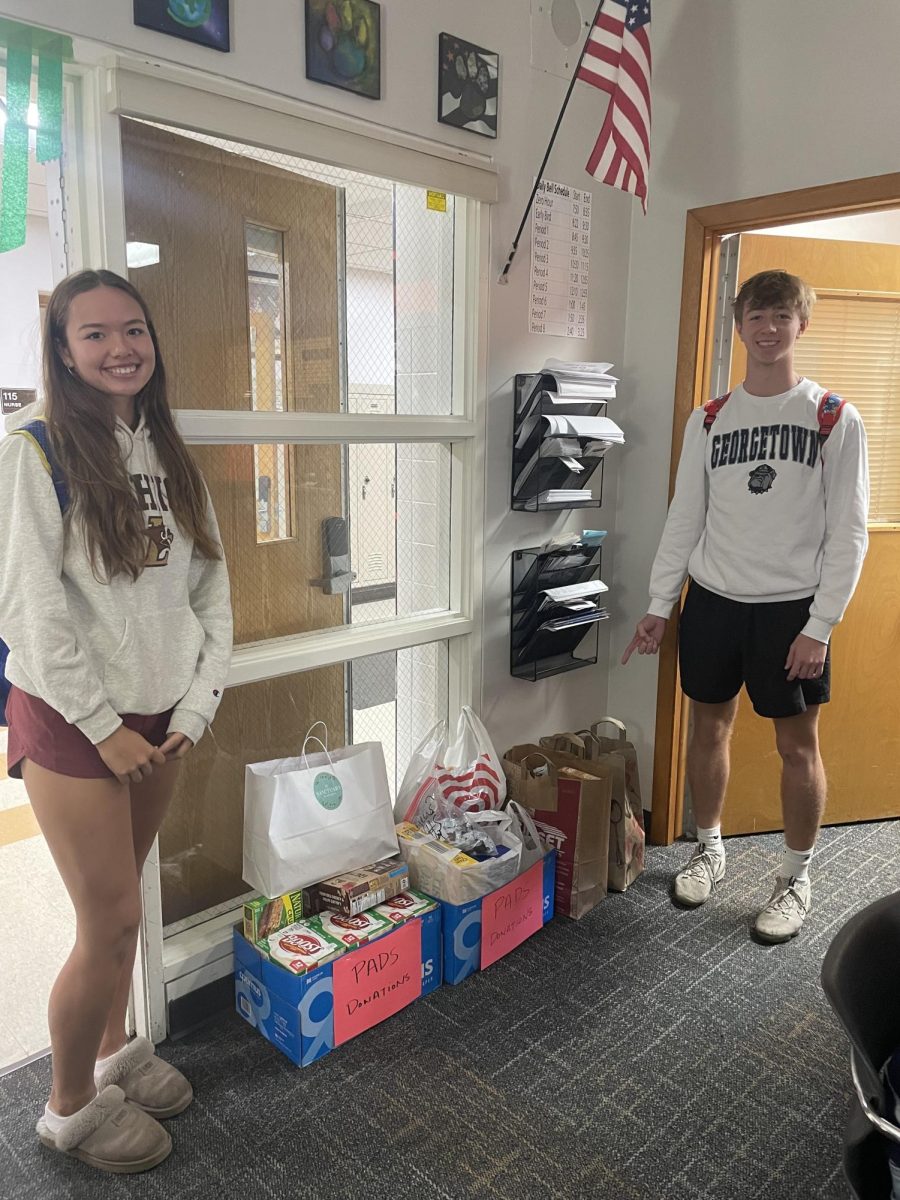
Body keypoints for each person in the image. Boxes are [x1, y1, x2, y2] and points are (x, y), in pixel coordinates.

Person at [0, 269, 232, 1172]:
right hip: (73, 724)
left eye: (132, 329)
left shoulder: (169, 452)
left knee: (125, 910)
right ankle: (67, 1109)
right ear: (62, 350)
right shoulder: (34, 451)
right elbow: (28, 614)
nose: (119, 347)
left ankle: (116, 1054)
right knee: (105, 924)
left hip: (161, 717)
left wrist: (198, 704)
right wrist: (101, 726)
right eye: (93, 334)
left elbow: (213, 589)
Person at [622, 269, 868, 943]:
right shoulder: (710, 418)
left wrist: (821, 626)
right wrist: (658, 601)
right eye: (756, 317)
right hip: (713, 604)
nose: (767, 329)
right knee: (708, 730)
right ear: (739, 327)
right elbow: (684, 516)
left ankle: (795, 877)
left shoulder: (832, 418)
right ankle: (708, 847)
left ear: (800, 325)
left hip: (792, 613)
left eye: (781, 317)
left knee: (797, 747)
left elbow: (849, 532)